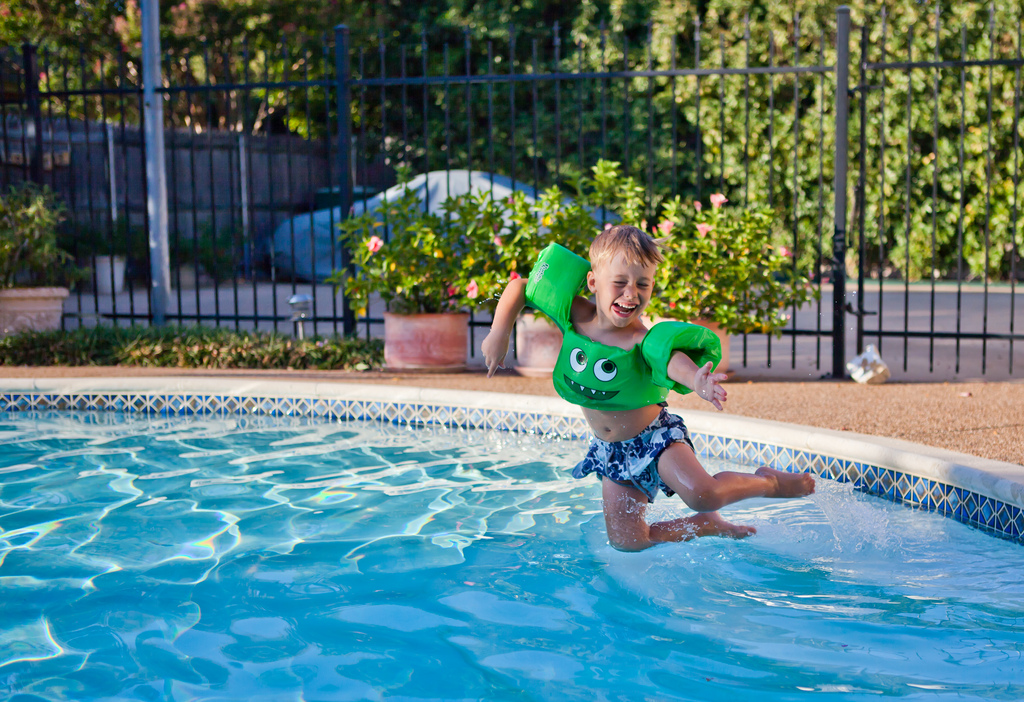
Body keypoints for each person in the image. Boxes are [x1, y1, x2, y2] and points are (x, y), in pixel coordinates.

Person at [481, 225, 815, 551]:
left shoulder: (641, 339)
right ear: (593, 282)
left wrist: (696, 379)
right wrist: (499, 332)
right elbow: (521, 287)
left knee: (703, 495)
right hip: (612, 451)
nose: (631, 294)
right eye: (620, 283)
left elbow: (671, 360)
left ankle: (769, 481)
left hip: (655, 438)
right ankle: (705, 526)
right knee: (628, 542)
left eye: (643, 284)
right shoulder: (572, 314)